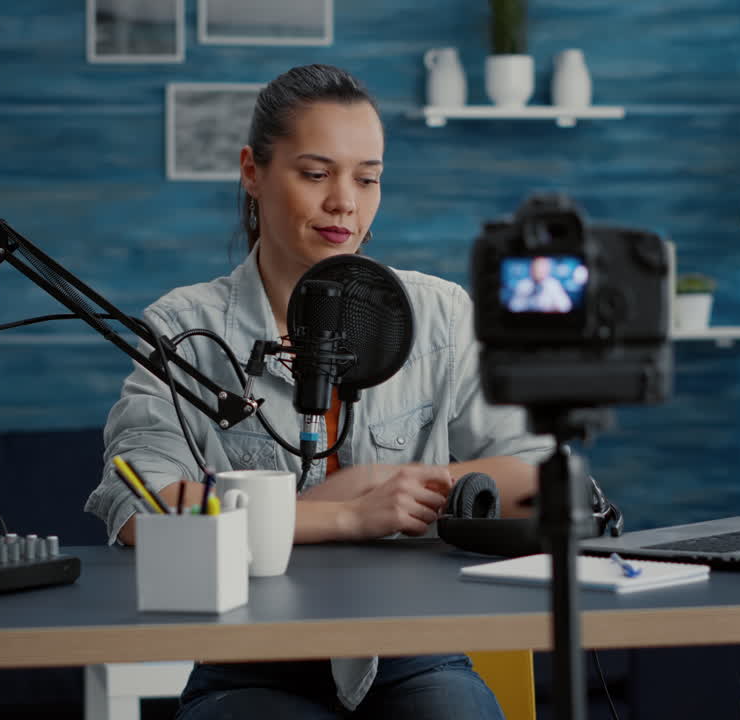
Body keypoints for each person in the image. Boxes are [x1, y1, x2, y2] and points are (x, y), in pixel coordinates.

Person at [84, 64, 551, 720]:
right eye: (315, 174)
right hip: (249, 663)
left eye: (367, 178)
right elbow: (145, 506)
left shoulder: (441, 314)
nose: (345, 203)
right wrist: (346, 515)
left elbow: (534, 467)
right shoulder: (184, 330)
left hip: (416, 653)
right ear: (253, 172)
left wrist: (402, 479)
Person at [507, 256, 573, 313]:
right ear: (531, 268)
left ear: (547, 269)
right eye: (536, 266)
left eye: (542, 267)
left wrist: (553, 305)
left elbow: (566, 307)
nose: (538, 270)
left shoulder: (553, 284)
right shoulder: (523, 284)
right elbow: (513, 307)